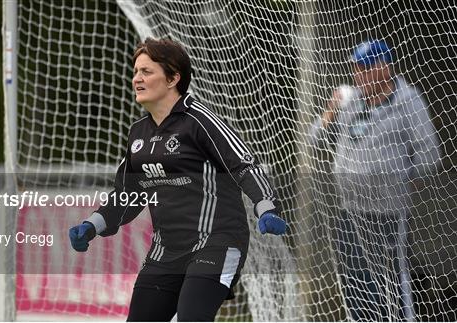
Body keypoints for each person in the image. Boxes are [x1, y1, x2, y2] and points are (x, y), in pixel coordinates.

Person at [69, 38, 287, 322]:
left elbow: (244, 165)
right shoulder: (138, 134)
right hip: (165, 251)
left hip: (216, 244)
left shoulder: (200, 121)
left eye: (146, 72)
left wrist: (266, 207)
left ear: (173, 78)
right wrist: (91, 226)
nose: (137, 79)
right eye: (135, 71)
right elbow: (127, 195)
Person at [310, 40, 440, 321]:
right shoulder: (350, 100)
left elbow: (430, 152)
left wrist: (403, 183)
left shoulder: (409, 100)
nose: (359, 75)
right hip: (350, 209)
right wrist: (330, 113)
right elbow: (314, 140)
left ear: (384, 68)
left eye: (365, 69)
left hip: (388, 211)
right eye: (356, 69)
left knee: (391, 276)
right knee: (354, 278)